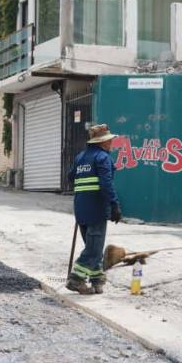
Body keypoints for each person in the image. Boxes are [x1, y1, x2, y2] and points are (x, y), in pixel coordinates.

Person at [67, 124, 122, 295]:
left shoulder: (80, 157)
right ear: (102, 142)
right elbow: (106, 183)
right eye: (109, 140)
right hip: (97, 208)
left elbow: (71, 177)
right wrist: (114, 204)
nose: (111, 143)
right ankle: (76, 279)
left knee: (93, 247)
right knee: (94, 249)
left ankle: (97, 281)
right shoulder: (102, 157)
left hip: (81, 208)